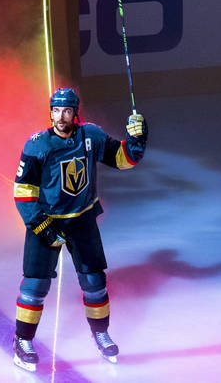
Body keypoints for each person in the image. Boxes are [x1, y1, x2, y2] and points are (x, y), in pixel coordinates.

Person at [13, 87, 147, 371]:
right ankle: (22, 341)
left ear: (76, 113)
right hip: (46, 219)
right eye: (56, 110)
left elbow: (121, 158)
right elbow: (23, 191)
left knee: (95, 284)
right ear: (50, 112)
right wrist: (39, 224)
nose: (61, 117)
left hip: (82, 219)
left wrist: (136, 140)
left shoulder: (92, 136)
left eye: (67, 111)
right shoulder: (37, 145)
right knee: (34, 287)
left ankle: (101, 333)